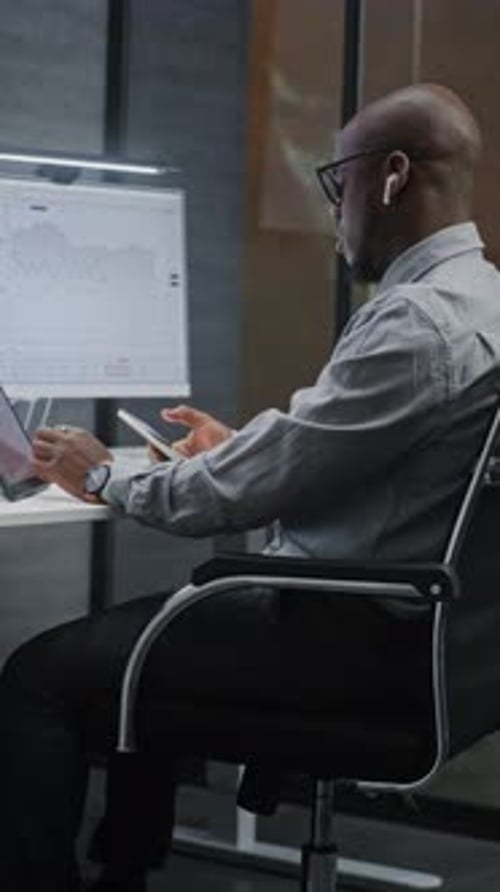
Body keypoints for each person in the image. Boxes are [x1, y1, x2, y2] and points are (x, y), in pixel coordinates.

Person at [2, 82, 500, 892]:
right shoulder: (482, 303)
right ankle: (123, 873)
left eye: (338, 183)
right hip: (421, 641)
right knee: (145, 640)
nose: (336, 212)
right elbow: (360, 459)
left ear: (393, 177)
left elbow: (235, 500)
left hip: (352, 644)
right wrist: (237, 450)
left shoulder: (419, 324)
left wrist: (99, 473)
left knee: (38, 677)